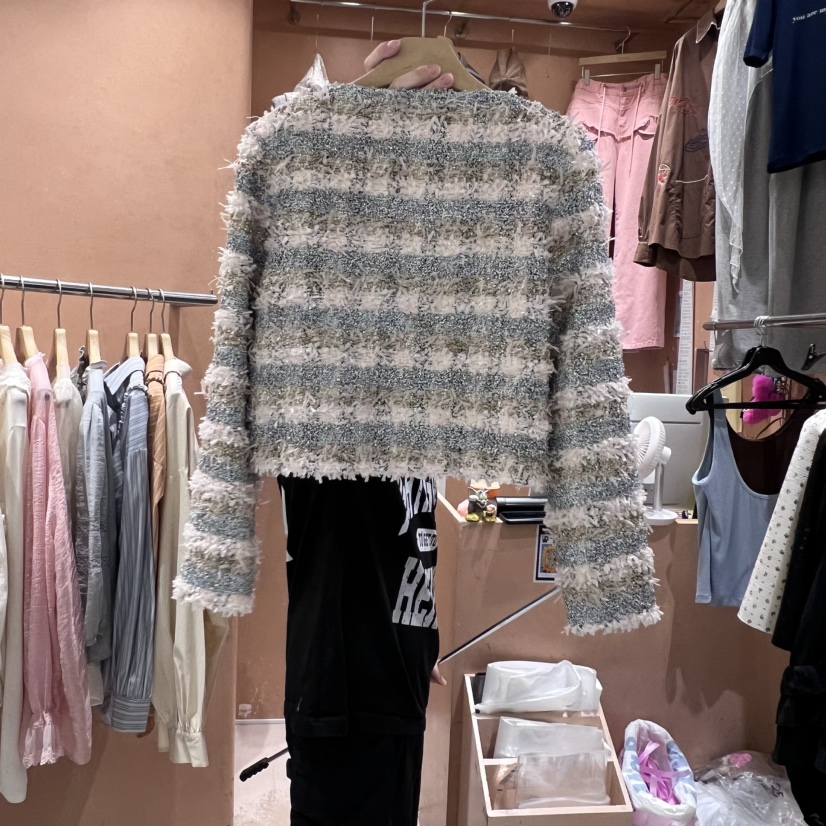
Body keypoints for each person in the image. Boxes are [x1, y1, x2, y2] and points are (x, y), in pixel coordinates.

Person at [280, 44, 453, 826]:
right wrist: (355, 132)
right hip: (347, 697)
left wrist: (423, 633)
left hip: (396, 677)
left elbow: (409, 527)